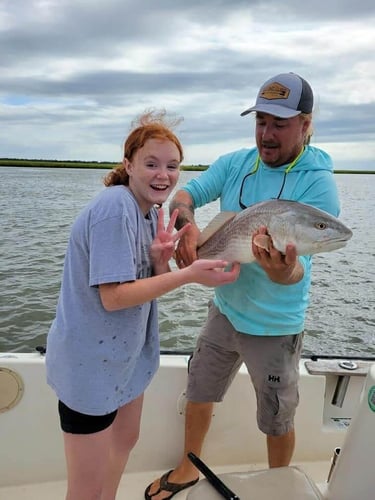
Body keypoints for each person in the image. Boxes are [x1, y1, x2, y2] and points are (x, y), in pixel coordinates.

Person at [145, 73, 341, 499]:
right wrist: (187, 224)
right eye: (261, 121)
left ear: (306, 125)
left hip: (275, 324)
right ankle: (187, 466)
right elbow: (187, 195)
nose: (266, 134)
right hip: (225, 309)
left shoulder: (319, 183)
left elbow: (297, 271)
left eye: (280, 124)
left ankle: (278, 484)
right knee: (199, 389)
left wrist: (279, 269)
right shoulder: (236, 162)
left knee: (276, 416)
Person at [45, 109, 240, 500]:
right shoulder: (115, 207)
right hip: (89, 369)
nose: (163, 175)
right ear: (128, 164)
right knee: (84, 488)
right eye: (151, 164)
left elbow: (143, 286)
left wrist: (158, 262)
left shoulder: (150, 213)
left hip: (125, 360)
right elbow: (113, 297)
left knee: (123, 446)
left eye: (172, 166)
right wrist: (188, 273)